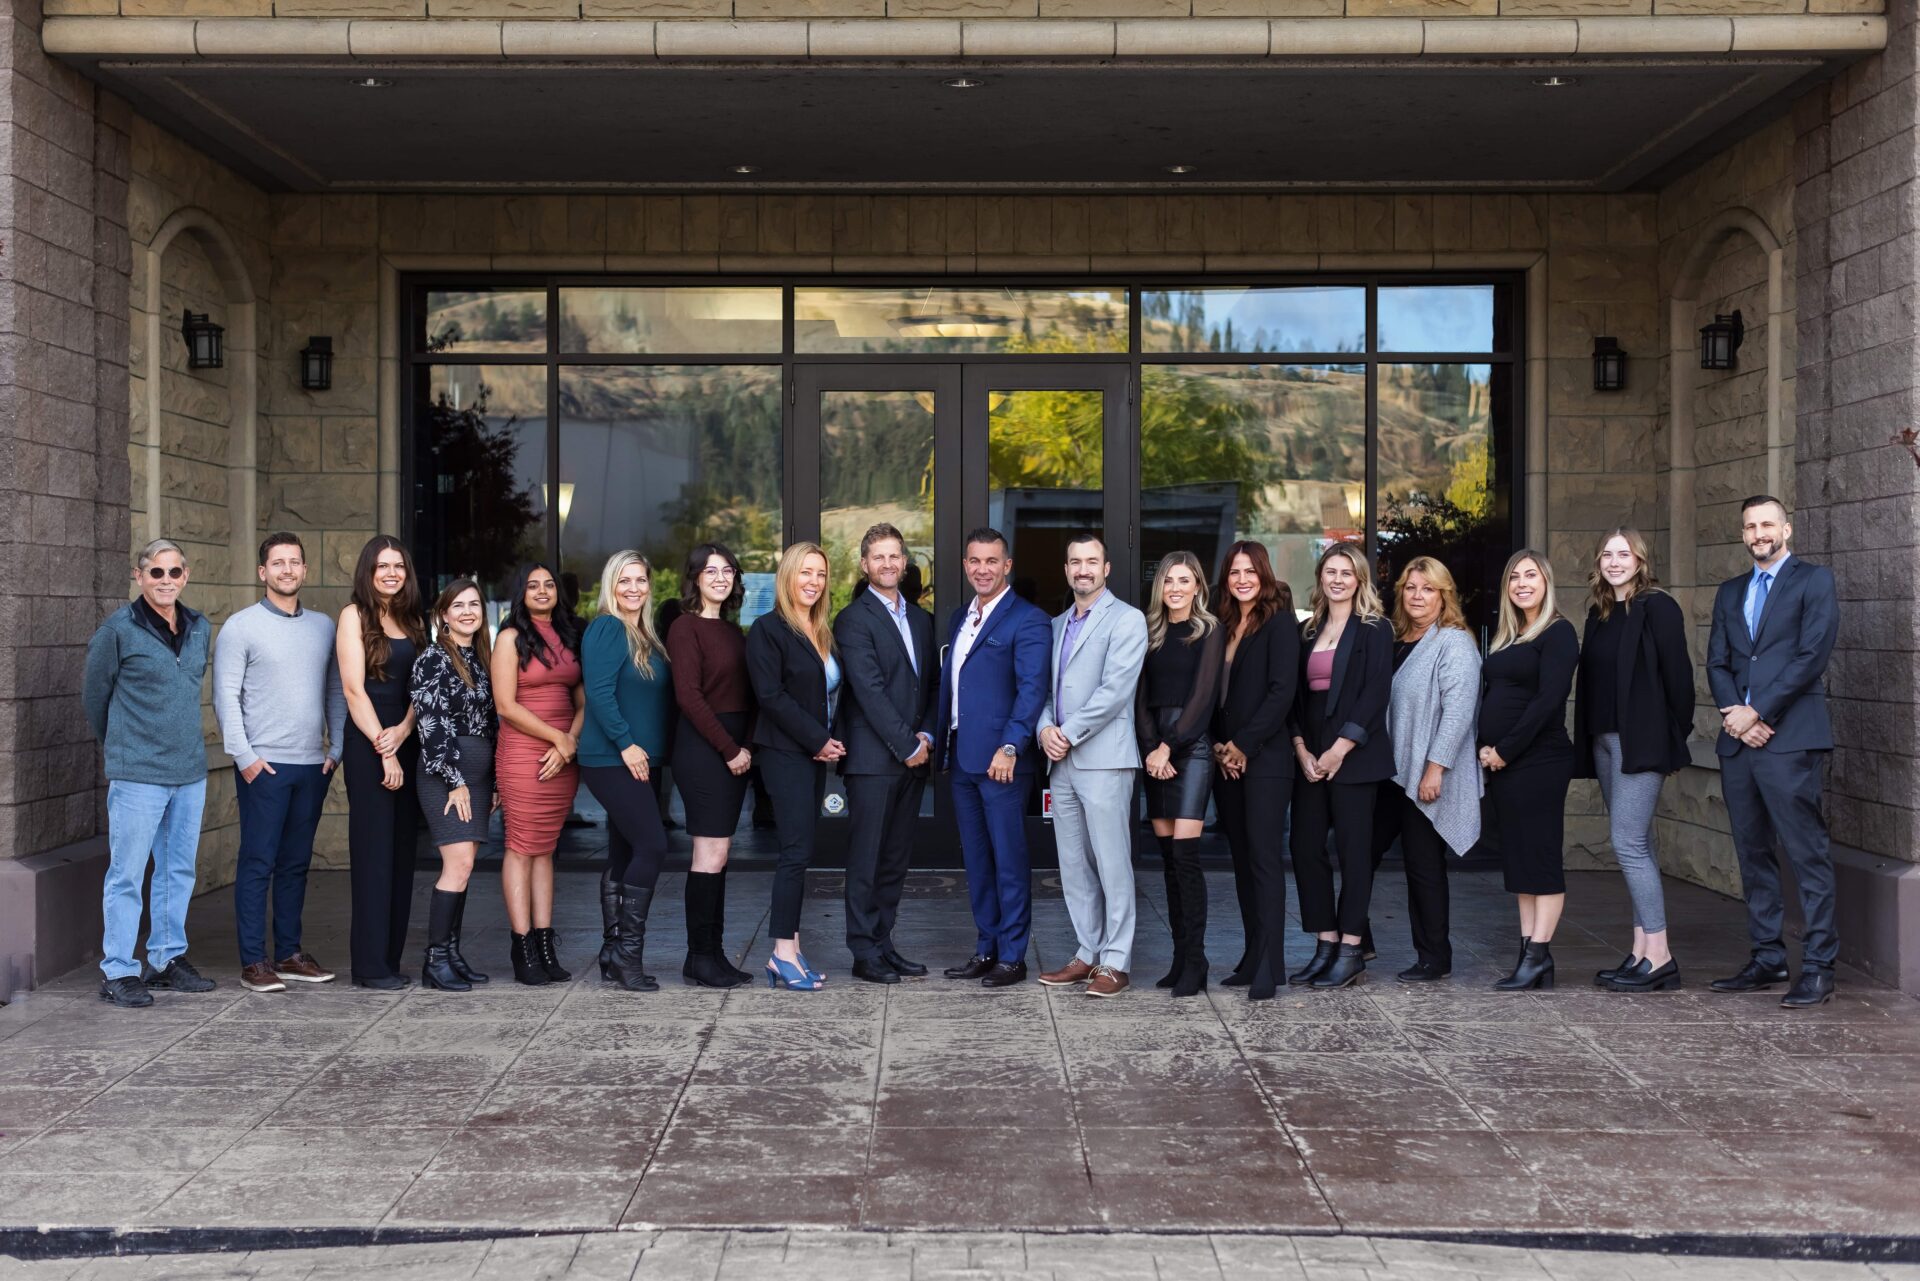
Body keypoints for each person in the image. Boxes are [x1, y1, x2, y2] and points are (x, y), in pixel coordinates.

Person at [1706, 496, 1841, 1008]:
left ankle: (1819, 967)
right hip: (1739, 743)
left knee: (1807, 854)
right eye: (1750, 526)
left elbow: (1812, 656)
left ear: (1787, 527)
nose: (1759, 533)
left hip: (1791, 738)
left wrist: (1757, 711)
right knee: (1753, 853)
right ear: (1743, 535)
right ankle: (1767, 956)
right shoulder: (1730, 591)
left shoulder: (1814, 581)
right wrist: (1737, 717)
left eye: (1767, 524)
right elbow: (1717, 662)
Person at [84, 538, 217, 1008]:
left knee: (177, 870)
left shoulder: (200, 627)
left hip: (189, 771)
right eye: (156, 572)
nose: (166, 581)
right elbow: (94, 698)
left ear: (185, 576)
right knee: (127, 873)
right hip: (137, 773)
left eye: (174, 572)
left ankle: (165, 959)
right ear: (139, 577)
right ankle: (119, 970)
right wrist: (123, 748)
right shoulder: (117, 630)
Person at [213, 532, 348, 994]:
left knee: (295, 863)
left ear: (305, 570)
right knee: (258, 861)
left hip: (313, 764)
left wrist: (337, 748)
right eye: (278, 563)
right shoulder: (240, 626)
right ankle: (255, 961)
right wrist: (244, 756)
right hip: (264, 765)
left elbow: (335, 689)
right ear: (262, 572)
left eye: (295, 562)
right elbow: (225, 696)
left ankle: (289, 954)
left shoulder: (324, 627)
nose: (287, 570)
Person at [1572, 527, 1694, 993]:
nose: (1615, 561)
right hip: (1603, 740)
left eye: (1624, 554)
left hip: (1640, 741)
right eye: (1607, 553)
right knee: (1637, 841)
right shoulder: (1599, 612)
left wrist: (1671, 738)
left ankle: (1660, 956)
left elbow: (1679, 680)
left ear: (1641, 561)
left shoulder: (1657, 607)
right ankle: (1642, 948)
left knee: (1627, 844)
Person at [934, 527, 1051, 989]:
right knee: (978, 861)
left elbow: (1031, 689)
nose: (982, 569)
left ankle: (1013, 956)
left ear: (1008, 566)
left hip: (1002, 761)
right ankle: (986, 948)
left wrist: (1011, 745)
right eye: (974, 561)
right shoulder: (960, 617)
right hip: (963, 758)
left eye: (991, 561)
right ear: (966, 565)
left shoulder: (1029, 619)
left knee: (1009, 860)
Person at [1035, 534, 1149, 999]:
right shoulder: (1055, 624)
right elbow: (1042, 691)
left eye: (1092, 562)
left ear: (1107, 570)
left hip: (1103, 759)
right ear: (1066, 570)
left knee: (1111, 861)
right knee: (1073, 863)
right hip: (1059, 761)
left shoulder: (1127, 619)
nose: (1083, 569)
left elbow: (1115, 690)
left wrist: (1066, 733)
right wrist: (1044, 730)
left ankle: (1116, 961)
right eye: (1075, 562)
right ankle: (1088, 953)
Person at [833, 523, 939, 985]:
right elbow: (870, 691)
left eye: (895, 556)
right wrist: (907, 745)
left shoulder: (920, 618)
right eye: (879, 557)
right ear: (864, 564)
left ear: (905, 562)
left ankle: (884, 943)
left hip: (915, 756)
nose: (889, 564)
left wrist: (929, 737)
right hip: (874, 760)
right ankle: (862, 951)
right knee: (866, 858)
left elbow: (933, 686)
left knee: (895, 858)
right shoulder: (852, 620)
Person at [1288, 542, 1394, 990]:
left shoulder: (1375, 629)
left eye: (1346, 573)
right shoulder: (1308, 629)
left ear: (1360, 580)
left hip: (1355, 756)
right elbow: (1294, 694)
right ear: (1320, 577)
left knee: (1353, 855)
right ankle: (1326, 942)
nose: (1337, 579)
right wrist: (1300, 747)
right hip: (1310, 754)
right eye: (1330, 571)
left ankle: (1352, 949)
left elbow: (1375, 694)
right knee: (1305, 848)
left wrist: (1339, 749)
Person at [1373, 557, 1482, 984]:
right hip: (1390, 771)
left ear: (1444, 596)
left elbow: (1458, 713)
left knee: (1423, 867)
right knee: (1358, 853)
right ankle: (1355, 941)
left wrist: (1435, 768)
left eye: (1428, 589)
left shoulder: (1453, 643)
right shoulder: (1395, 638)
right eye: (1411, 587)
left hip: (1425, 774)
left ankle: (1435, 957)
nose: (1418, 596)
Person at [747, 543, 846, 991]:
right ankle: (781, 954)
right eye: (805, 572)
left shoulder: (820, 629)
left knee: (801, 852)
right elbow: (771, 697)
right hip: (786, 753)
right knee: (794, 853)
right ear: (787, 576)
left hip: (813, 753)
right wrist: (818, 739)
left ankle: (794, 949)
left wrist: (828, 740)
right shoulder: (768, 630)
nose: (813, 581)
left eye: (821, 574)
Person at [1479, 550, 1579, 992]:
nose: (1522, 583)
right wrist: (1488, 749)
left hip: (1539, 761)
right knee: (1519, 861)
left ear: (1546, 581)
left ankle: (1538, 954)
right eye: (1514, 576)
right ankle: (1531, 954)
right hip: (1505, 764)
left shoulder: (1558, 633)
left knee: (1540, 858)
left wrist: (1504, 749)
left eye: (1530, 576)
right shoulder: (1509, 635)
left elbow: (1547, 703)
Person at [580, 551, 676, 993]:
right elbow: (598, 694)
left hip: (642, 759)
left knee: (623, 852)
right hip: (612, 757)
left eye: (640, 580)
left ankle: (611, 952)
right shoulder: (607, 627)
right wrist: (625, 743)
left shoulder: (645, 634)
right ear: (610, 585)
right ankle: (627, 955)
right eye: (624, 580)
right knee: (653, 845)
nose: (634, 588)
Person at [1133, 551, 1226, 998]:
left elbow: (1205, 697)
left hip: (1192, 750)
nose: (1175, 588)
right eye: (1168, 580)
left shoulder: (1209, 631)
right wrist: (1152, 749)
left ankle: (1197, 961)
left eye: (1184, 580)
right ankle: (1178, 957)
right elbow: (1140, 698)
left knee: (1187, 859)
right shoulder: (1147, 631)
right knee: (1168, 863)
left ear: (1197, 586)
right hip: (1156, 753)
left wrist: (1170, 746)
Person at [337, 535, 428, 991]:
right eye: (382, 567)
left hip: (407, 741)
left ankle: (390, 959)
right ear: (368, 572)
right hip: (369, 746)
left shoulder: (413, 620)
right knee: (374, 855)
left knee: (401, 855)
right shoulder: (354, 616)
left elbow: (422, 689)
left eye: (398, 566)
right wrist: (384, 747)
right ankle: (370, 967)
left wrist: (406, 731)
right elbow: (355, 690)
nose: (391, 573)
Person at [1211, 542, 1300, 1002]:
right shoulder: (1223, 624)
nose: (1242, 579)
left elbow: (1282, 692)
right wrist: (1220, 747)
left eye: (1250, 571)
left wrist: (1244, 745)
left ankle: (1271, 964)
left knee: (1264, 860)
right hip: (1226, 761)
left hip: (1265, 760)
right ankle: (1251, 957)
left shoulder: (1281, 623)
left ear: (1263, 574)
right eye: (1234, 571)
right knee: (1243, 863)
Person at [667, 543, 756, 989]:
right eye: (710, 571)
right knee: (709, 854)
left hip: (732, 750)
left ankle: (712, 954)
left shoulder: (734, 632)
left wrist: (746, 746)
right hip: (705, 751)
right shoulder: (686, 628)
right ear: (695, 578)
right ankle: (699, 957)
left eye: (728, 571)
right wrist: (729, 748)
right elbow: (689, 696)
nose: (720, 578)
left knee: (720, 856)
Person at [491, 561, 585, 986]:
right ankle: (522, 946)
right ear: (521, 593)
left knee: (546, 848)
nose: (543, 591)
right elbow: (506, 706)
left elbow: (583, 701)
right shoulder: (510, 638)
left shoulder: (570, 637)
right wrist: (556, 739)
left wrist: (569, 743)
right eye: (533, 585)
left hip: (562, 757)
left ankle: (546, 945)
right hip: (524, 754)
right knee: (521, 846)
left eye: (549, 585)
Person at [411, 579, 499, 992]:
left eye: (474, 604)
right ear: (443, 614)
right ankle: (435, 961)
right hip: (446, 777)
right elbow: (432, 724)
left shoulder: (479, 657)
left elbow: (491, 723)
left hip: (478, 779)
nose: (467, 612)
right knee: (457, 865)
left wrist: (493, 780)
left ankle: (452, 953)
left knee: (466, 868)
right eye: (458, 605)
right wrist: (454, 781)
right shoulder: (432, 658)